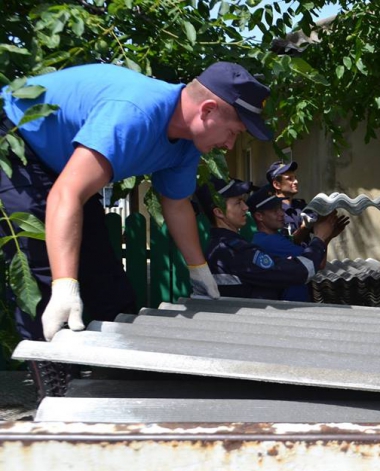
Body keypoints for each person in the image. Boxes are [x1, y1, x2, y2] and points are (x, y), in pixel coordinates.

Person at [0, 61, 273, 342]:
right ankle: (52, 375)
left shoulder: (187, 144)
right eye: (233, 132)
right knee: (44, 267)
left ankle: (119, 370)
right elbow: (66, 194)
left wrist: (198, 269)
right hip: (16, 137)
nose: (229, 145)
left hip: (63, 163)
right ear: (207, 110)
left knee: (103, 274)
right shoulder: (134, 115)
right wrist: (65, 288)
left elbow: (177, 205)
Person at [199, 178, 332, 300]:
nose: (245, 208)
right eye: (238, 202)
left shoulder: (219, 246)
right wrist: (320, 237)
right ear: (219, 212)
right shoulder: (234, 251)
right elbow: (299, 272)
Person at [251, 184, 349, 302]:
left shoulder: (275, 237)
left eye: (281, 208)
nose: (282, 213)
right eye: (274, 210)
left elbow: (319, 264)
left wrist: (326, 237)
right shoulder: (268, 241)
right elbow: (313, 263)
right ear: (259, 216)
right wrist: (321, 234)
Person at [266, 160, 310, 243]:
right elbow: (283, 244)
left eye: (295, 178)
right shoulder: (272, 213)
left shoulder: (301, 206)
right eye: (290, 179)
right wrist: (304, 228)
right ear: (276, 185)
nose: (296, 182)